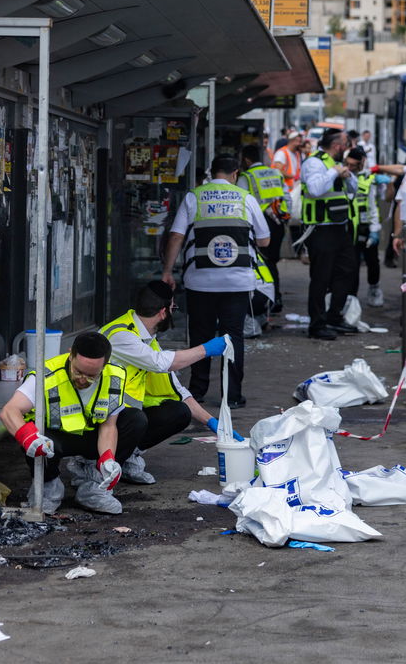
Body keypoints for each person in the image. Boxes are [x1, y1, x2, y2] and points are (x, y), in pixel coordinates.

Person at [100, 281, 240, 485]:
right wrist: (206, 349)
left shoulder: (147, 338)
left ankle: (126, 456)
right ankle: (96, 471)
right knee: (137, 419)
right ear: (164, 312)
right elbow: (161, 363)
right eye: (173, 308)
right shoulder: (121, 335)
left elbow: (177, 389)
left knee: (179, 412)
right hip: (100, 418)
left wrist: (214, 423)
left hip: (122, 415)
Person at [162, 155, 271, 408]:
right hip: (238, 281)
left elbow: (176, 236)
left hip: (200, 281)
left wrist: (168, 270)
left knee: (201, 337)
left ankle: (197, 392)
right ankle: (232, 396)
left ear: (212, 173)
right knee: (232, 337)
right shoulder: (245, 198)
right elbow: (265, 240)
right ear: (235, 174)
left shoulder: (194, 196)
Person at [0, 331, 131, 514]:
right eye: (78, 372)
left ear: (104, 366)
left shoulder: (115, 377)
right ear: (71, 355)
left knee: (135, 421)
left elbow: (109, 426)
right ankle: (48, 488)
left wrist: (107, 459)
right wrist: (28, 437)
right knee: (36, 434)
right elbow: (9, 411)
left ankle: (95, 487)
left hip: (92, 437)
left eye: (91, 375)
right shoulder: (47, 374)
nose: (83, 380)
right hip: (55, 441)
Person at [300, 129, 358, 340]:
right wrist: (334, 172)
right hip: (320, 228)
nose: (347, 147)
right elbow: (315, 189)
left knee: (347, 271)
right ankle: (317, 325)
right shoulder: (314, 163)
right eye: (345, 143)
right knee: (321, 278)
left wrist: (348, 175)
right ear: (336, 145)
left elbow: (353, 189)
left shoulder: (336, 165)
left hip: (339, 227)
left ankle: (334, 317)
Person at [239, 144, 287, 313]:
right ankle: (277, 297)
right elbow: (287, 197)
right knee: (272, 261)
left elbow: (241, 203)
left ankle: (266, 299)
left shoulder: (246, 176)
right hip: (278, 223)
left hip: (259, 224)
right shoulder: (275, 173)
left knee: (261, 263)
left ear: (246, 159)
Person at [344, 147, 383, 307]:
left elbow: (373, 206)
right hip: (350, 227)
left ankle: (374, 288)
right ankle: (351, 298)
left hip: (366, 227)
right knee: (351, 265)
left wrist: (374, 230)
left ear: (362, 162)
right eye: (348, 164)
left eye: (354, 165)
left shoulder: (369, 179)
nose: (350, 168)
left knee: (372, 261)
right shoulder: (343, 175)